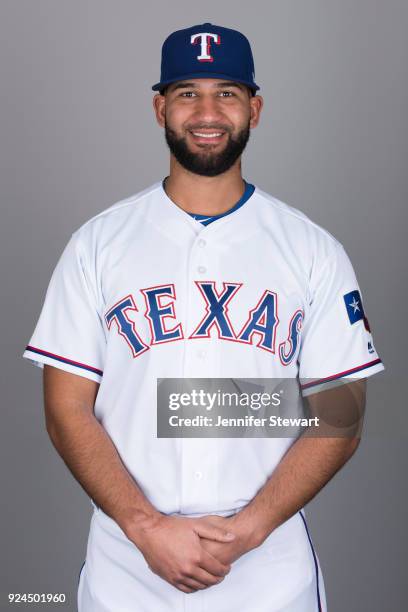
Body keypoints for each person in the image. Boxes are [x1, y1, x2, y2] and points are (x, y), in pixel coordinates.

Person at [23, 23, 384, 612]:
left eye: (228, 93)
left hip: (268, 571)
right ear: (160, 107)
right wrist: (144, 527)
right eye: (188, 92)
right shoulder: (97, 244)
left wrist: (248, 530)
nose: (208, 111)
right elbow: (65, 409)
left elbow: (340, 415)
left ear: (255, 109)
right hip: (127, 569)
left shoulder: (312, 249)